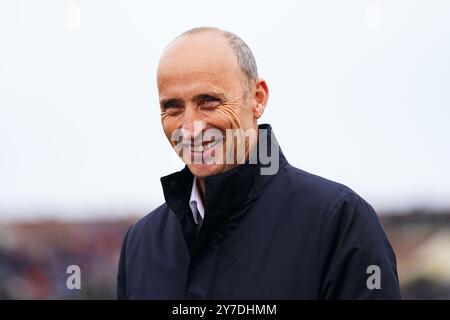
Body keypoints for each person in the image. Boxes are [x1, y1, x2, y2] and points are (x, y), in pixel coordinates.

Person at [117, 27, 402, 299]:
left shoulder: (338, 220)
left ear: (257, 98)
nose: (190, 128)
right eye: (173, 107)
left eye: (209, 102)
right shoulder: (141, 244)